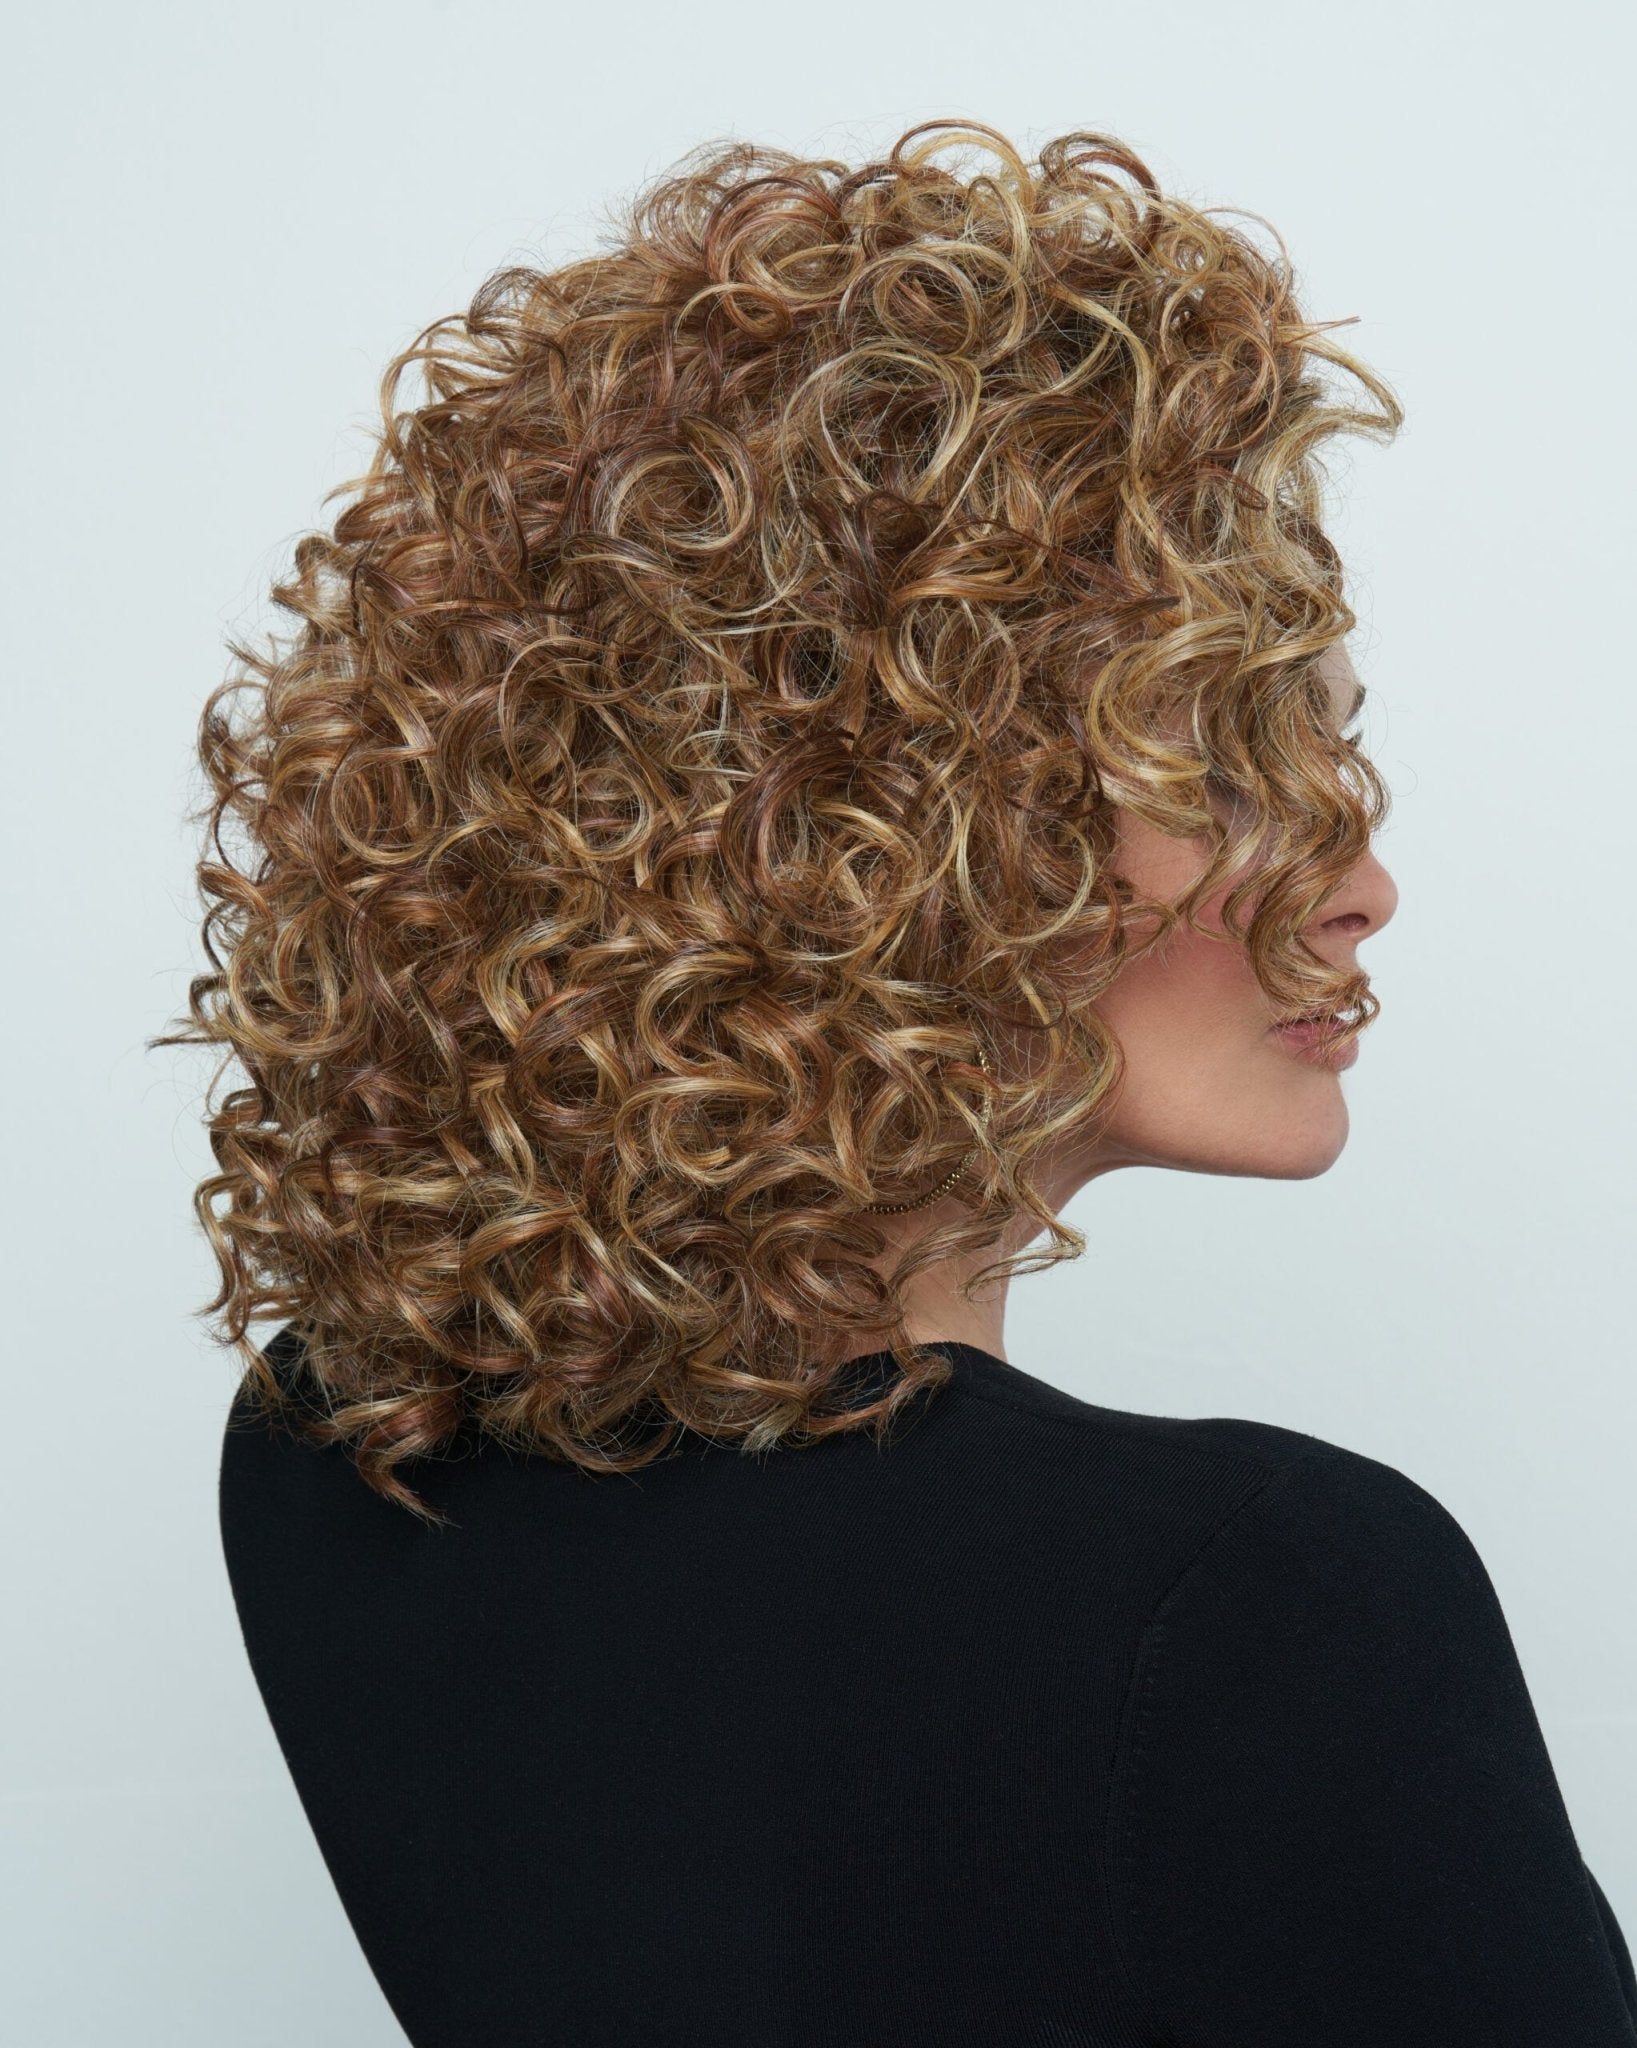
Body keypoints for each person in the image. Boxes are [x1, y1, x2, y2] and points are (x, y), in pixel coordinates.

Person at [180, 120, 1637, 2044]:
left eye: (1328, 760)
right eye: (1217, 767)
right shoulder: (1252, 1600)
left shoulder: (338, 1444)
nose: (1359, 885)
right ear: (855, 838)